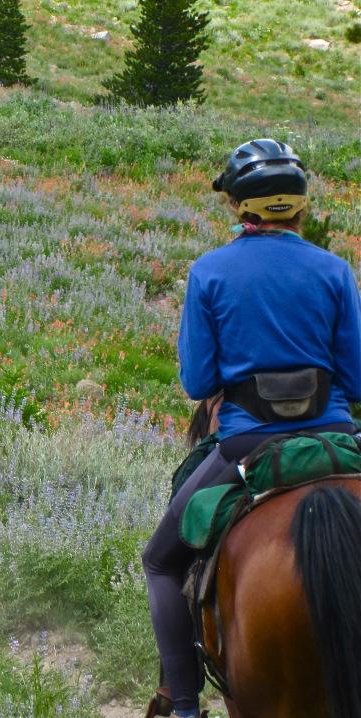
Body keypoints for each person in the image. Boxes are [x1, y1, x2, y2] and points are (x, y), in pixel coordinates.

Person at [142, 139, 361, 718]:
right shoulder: (335, 270)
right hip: (338, 439)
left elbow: (197, 381)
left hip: (245, 440)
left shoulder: (210, 271)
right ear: (300, 207)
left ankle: (184, 703)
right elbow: (358, 379)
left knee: (161, 560)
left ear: (240, 207)